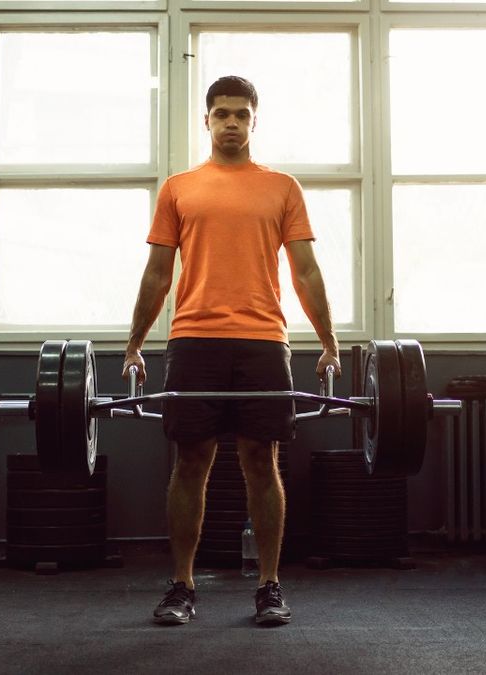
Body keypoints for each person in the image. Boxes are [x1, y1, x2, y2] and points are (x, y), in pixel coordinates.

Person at [123, 75, 341, 626]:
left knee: (261, 461)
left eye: (241, 114)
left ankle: (269, 585)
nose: (231, 123)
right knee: (191, 461)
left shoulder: (282, 187)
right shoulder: (178, 188)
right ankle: (181, 585)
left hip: (263, 339)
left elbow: (306, 271)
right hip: (193, 337)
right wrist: (134, 345)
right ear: (207, 120)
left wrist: (329, 341)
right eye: (221, 113)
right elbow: (156, 274)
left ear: (253, 121)